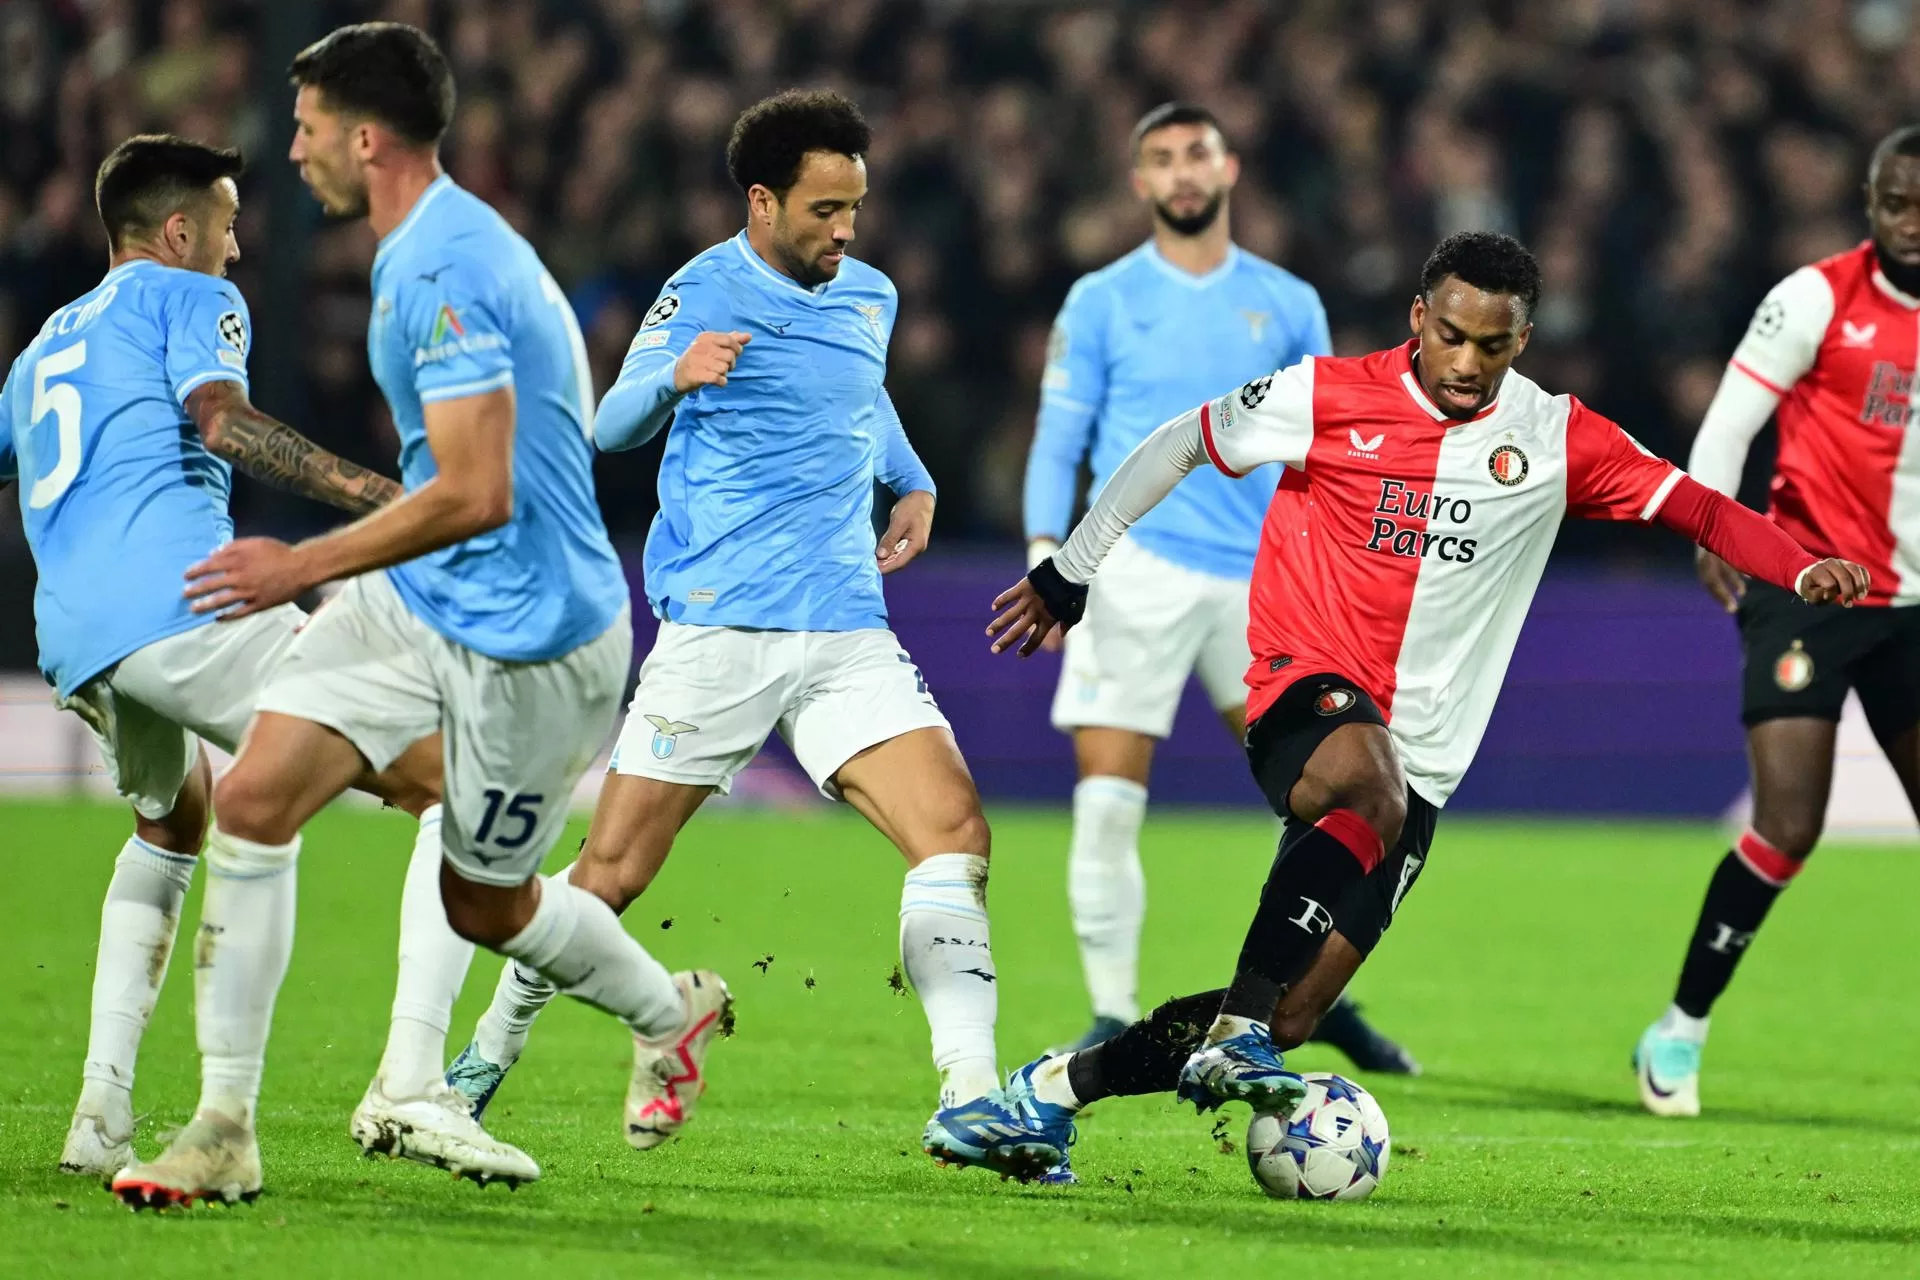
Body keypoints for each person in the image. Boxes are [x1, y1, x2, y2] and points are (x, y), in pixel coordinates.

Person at [977, 231, 1870, 1177]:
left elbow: (1699, 507)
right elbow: (1179, 444)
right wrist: (1073, 566)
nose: (1466, 362)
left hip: (1428, 759)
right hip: (1303, 685)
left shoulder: (1556, 438)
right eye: (1450, 336)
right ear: (1419, 319)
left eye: (1491, 345)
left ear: (1522, 339)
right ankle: (1236, 1029)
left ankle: (1052, 1092)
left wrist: (1801, 563)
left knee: (1299, 1011)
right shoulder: (1322, 395)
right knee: (1361, 801)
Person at [107, 23, 719, 1209]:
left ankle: (666, 1008)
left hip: (535, 633)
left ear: (365, 135)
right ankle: (225, 1125)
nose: (293, 153)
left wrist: (304, 562)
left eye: (306, 128)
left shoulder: (442, 267)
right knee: (254, 795)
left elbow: (478, 490)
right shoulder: (419, 249)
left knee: (483, 901)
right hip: (422, 599)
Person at [440, 88, 1062, 1183]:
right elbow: (606, 424)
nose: (846, 231)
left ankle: (967, 1095)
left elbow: (861, 395)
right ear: (763, 202)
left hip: (843, 631)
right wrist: (674, 378)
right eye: (826, 209)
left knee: (955, 832)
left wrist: (906, 476)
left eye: (856, 208)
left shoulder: (866, 293)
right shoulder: (699, 291)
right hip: (718, 630)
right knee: (612, 872)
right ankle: (479, 1064)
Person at [0, 133, 447, 1181]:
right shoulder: (189, 298)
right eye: (232, 226)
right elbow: (225, 423)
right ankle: (414, 1082)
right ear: (178, 230)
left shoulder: (39, 353)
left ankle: (99, 1111)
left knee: (173, 817)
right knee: (444, 781)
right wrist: (389, 501)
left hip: (78, 637)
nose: (239, 251)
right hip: (188, 602)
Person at [1025, 100, 1415, 1073]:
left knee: (1331, 798)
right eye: (1160, 158)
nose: (1182, 172)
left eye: (1196, 152)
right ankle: (1112, 1012)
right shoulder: (1101, 299)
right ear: (1140, 183)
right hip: (1134, 578)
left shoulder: (1286, 302)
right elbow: (1059, 441)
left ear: (1230, 166)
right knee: (1110, 797)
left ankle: (1317, 991)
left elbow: (1334, 446)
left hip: (1265, 587)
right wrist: (1051, 557)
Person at [1633, 124, 1920, 1117]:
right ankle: (1680, 1026)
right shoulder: (1815, 298)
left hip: (1916, 610)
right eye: (1895, 203)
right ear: (1870, 204)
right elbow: (1729, 418)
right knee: (1789, 825)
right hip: (1810, 587)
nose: (1910, 223)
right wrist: (1714, 517)